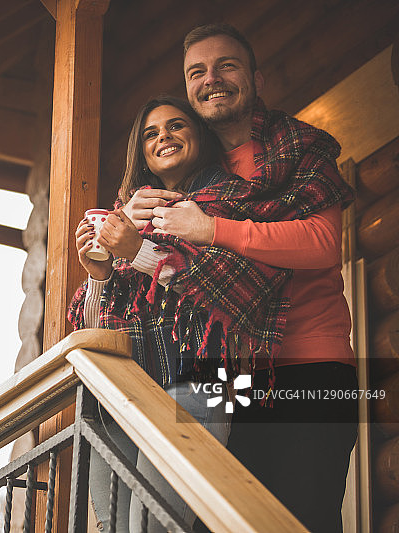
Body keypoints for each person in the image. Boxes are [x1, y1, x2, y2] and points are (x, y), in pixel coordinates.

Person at [126, 23, 357, 532]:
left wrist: (211, 227)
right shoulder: (190, 164)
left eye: (226, 66)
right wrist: (132, 213)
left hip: (310, 364)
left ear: (255, 76)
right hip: (229, 371)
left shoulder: (299, 147)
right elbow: (161, 268)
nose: (212, 80)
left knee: (303, 517)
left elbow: (321, 244)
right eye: (197, 72)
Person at [69, 95, 244, 533]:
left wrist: (138, 252)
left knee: (152, 526)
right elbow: (88, 327)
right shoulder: (124, 217)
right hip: (125, 394)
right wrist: (99, 274)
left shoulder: (225, 196)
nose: (163, 136)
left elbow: (222, 286)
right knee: (117, 528)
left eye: (176, 126)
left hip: (200, 381)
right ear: (140, 152)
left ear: (199, 136)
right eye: (151, 133)